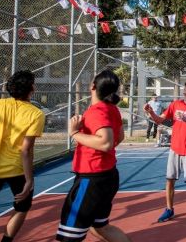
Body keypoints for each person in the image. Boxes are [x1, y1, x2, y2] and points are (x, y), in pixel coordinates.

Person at [56, 70, 130, 242]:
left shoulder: (96, 111)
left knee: (69, 236)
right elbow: (118, 138)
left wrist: (74, 133)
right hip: (107, 176)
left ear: (93, 86)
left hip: (91, 180)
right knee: (102, 227)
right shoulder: (112, 109)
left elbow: (105, 142)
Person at [0, 71, 44, 242]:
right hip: (16, 169)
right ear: (31, 88)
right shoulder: (36, 114)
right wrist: (29, 180)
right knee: (22, 208)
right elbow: (26, 150)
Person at [143, 81, 186, 224]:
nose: (185, 88)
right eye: (185, 86)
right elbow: (160, 120)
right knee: (170, 180)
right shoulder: (175, 104)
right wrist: (150, 112)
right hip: (175, 148)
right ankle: (169, 209)